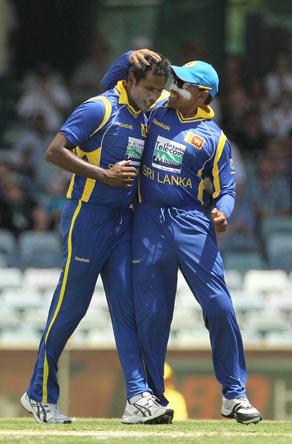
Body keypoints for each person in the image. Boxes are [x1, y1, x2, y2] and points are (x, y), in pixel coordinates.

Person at [101, 50, 262, 424]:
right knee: (153, 314)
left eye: (182, 84)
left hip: (193, 224)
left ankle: (234, 395)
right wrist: (129, 55)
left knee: (219, 306)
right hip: (148, 220)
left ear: (203, 94)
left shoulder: (214, 138)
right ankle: (152, 399)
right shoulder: (153, 112)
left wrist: (224, 211)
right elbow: (112, 85)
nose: (172, 88)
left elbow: (228, 189)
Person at [21, 51, 174, 424]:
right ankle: (38, 394)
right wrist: (101, 175)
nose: (154, 96)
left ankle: (138, 397)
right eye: (149, 88)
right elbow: (54, 152)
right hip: (87, 217)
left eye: (159, 90)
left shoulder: (143, 114)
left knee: (128, 308)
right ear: (131, 80)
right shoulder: (99, 108)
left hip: (123, 222)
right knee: (71, 307)